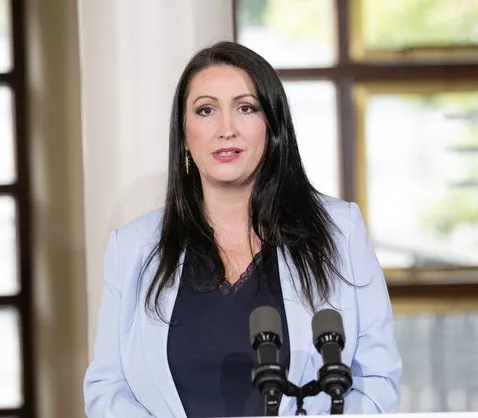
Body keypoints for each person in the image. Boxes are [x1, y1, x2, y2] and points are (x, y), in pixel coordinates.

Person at [83, 41, 402, 417]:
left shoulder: (340, 231)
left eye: (245, 108)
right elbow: (107, 389)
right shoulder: (133, 247)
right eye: (206, 111)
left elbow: (377, 379)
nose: (226, 129)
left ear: (272, 126)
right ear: (184, 136)